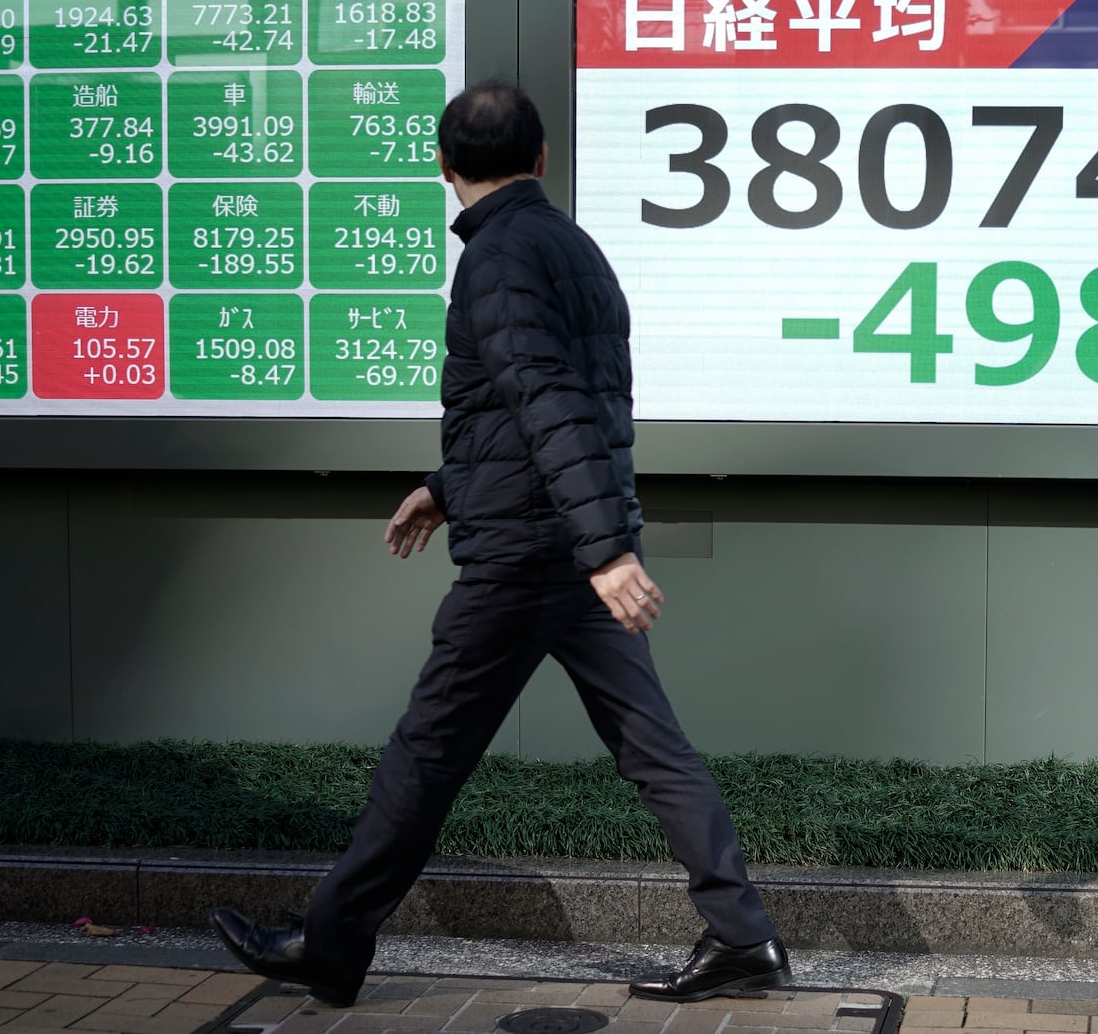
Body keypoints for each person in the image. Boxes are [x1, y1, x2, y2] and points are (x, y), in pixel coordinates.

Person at [210, 80, 789, 1007]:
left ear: (442, 166)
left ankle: (331, 943)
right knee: (653, 745)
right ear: (543, 158)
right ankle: (743, 937)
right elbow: (546, 405)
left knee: (426, 752)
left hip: (531, 555)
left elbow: (550, 404)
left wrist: (603, 551)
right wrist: (449, 489)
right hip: (566, 544)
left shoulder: (496, 259)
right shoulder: (573, 248)